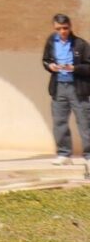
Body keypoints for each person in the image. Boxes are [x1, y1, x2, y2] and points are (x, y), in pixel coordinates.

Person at [46, 14, 82, 163]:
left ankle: (88, 155)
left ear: (70, 26)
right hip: (59, 85)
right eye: (58, 29)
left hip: (77, 87)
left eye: (65, 28)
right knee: (59, 122)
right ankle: (64, 154)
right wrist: (50, 66)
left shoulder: (80, 44)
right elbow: (45, 60)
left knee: (85, 122)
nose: (62, 31)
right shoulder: (51, 42)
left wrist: (74, 68)